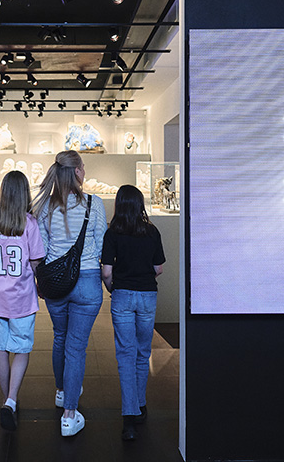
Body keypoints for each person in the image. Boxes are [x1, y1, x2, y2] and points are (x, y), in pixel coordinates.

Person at [31, 150, 107, 437]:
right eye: (83, 167)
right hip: (87, 282)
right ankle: (69, 415)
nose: (85, 171)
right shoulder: (94, 204)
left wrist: (40, 281)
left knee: (60, 337)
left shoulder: (45, 207)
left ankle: (62, 392)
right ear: (76, 172)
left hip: (56, 283)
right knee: (76, 347)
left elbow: (40, 250)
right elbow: (102, 246)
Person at [0, 170, 46, 432]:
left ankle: (7, 401)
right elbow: (36, 262)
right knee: (22, 350)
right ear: (25, 193)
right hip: (21, 299)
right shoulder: (30, 224)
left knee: (0, 350)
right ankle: (12, 400)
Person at [101, 184, 165, 441]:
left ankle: (129, 418)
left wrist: (113, 288)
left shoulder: (112, 233)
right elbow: (158, 268)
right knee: (142, 353)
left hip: (122, 296)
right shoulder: (152, 231)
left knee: (125, 354)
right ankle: (140, 405)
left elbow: (106, 271)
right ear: (140, 205)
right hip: (147, 295)